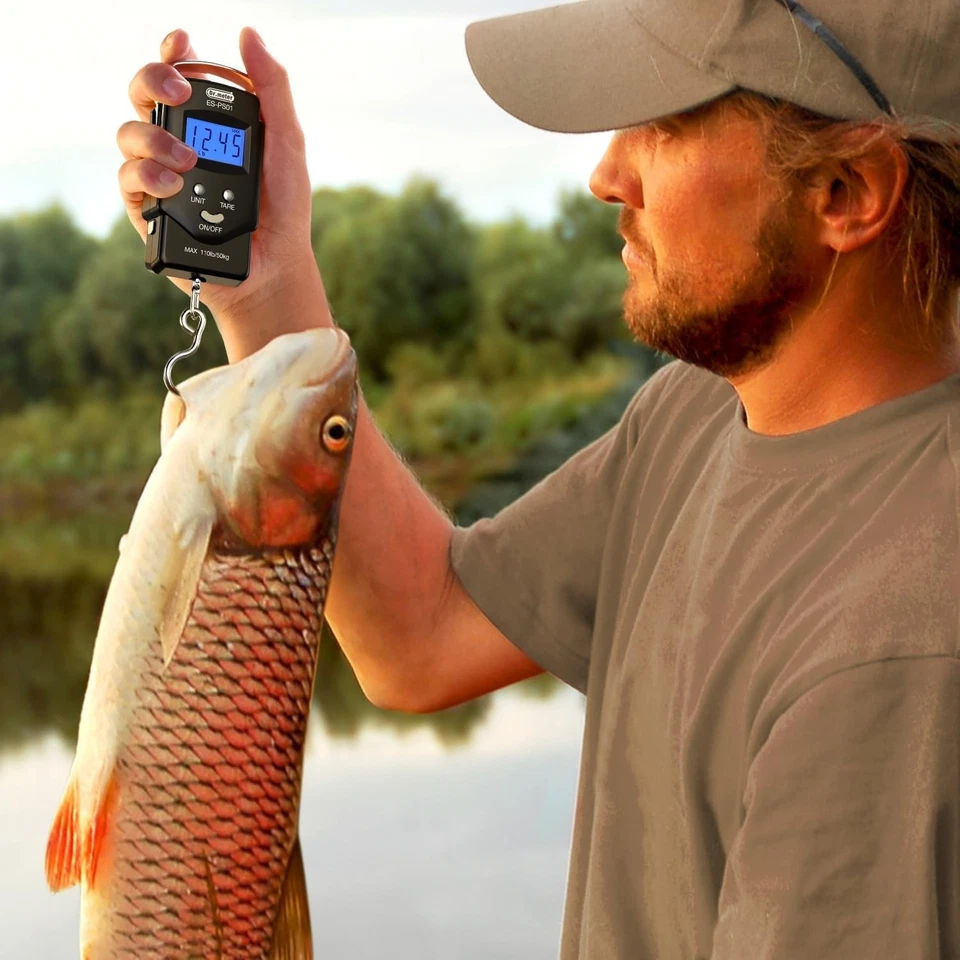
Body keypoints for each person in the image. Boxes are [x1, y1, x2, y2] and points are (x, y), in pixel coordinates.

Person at [116, 1, 960, 956]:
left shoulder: (903, 650)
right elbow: (421, 635)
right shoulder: (695, 416)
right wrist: (267, 284)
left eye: (665, 124)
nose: (607, 176)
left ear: (846, 192)